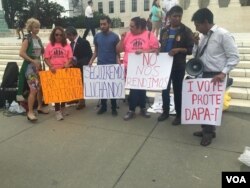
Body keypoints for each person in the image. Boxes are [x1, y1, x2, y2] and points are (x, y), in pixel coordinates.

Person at [191, 8, 239, 146]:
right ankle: (206, 129)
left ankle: (208, 133)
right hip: (204, 73)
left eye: (197, 25)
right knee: (203, 104)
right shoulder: (204, 36)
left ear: (205, 22)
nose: (197, 28)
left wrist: (223, 73)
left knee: (211, 106)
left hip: (217, 75)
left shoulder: (223, 35)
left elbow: (234, 57)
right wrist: (195, 44)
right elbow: (198, 55)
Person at [116, 17, 159, 121]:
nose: (129, 28)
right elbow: (118, 50)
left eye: (132, 26)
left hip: (143, 69)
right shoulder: (128, 35)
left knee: (141, 89)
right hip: (130, 68)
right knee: (134, 89)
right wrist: (122, 40)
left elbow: (157, 50)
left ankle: (141, 108)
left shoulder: (149, 35)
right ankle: (133, 109)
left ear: (140, 27)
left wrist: (144, 52)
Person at [157, 5, 194, 125]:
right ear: (169, 17)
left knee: (178, 91)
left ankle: (179, 115)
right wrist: (158, 50)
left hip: (178, 66)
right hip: (164, 65)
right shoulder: (164, 30)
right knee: (164, 90)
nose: (177, 18)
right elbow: (161, 44)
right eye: (174, 16)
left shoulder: (186, 31)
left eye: (179, 16)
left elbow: (189, 50)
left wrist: (178, 50)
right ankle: (165, 111)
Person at [88, 16, 120, 116]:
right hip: (100, 65)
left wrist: (118, 63)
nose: (102, 26)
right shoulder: (97, 36)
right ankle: (104, 106)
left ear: (109, 24)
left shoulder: (115, 37)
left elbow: (117, 52)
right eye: (101, 24)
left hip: (112, 66)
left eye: (104, 24)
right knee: (102, 88)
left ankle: (114, 108)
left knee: (113, 88)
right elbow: (96, 51)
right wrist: (91, 61)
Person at [18, 18, 49, 121]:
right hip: (29, 68)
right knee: (34, 89)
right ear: (30, 28)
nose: (37, 29)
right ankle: (30, 112)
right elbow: (21, 53)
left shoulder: (38, 39)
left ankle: (39, 107)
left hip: (38, 68)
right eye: (35, 27)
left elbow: (43, 51)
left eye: (38, 27)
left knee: (40, 88)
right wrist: (33, 60)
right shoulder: (27, 39)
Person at [44, 26, 73, 121]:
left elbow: (70, 57)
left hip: (64, 71)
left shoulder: (67, 45)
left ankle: (63, 108)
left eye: (61, 35)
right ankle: (57, 111)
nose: (59, 36)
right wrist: (51, 66)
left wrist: (68, 64)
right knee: (56, 92)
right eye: (56, 34)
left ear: (63, 36)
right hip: (54, 72)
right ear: (53, 35)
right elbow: (46, 58)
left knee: (64, 90)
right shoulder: (49, 45)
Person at [65, 26, 93, 110]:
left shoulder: (84, 42)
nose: (67, 38)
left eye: (68, 36)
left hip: (81, 67)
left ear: (71, 35)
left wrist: (77, 61)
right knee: (74, 84)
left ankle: (82, 102)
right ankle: (75, 98)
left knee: (81, 84)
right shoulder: (71, 44)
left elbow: (88, 56)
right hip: (73, 67)